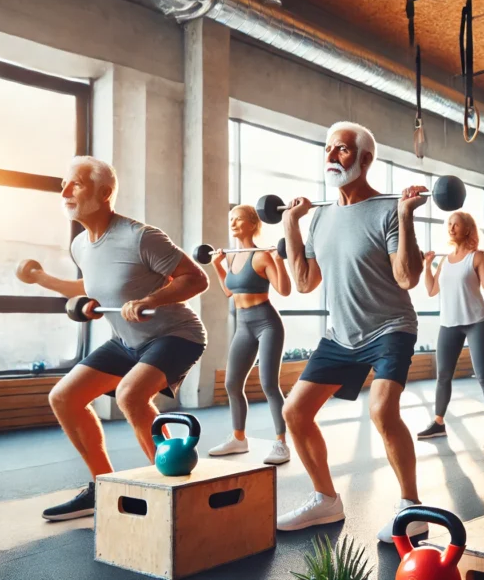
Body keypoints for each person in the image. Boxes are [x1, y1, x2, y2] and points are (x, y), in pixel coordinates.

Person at [17, 156, 208, 521]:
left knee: (131, 395)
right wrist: (43, 279)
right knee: (64, 397)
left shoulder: (141, 236)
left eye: (76, 184)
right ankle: (102, 485)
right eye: (64, 183)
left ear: (104, 193)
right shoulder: (81, 246)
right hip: (128, 340)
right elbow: (90, 286)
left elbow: (196, 279)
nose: (65, 190)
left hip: (175, 334)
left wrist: (150, 300)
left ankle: (176, 488)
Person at [275, 122, 426, 543]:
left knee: (381, 410)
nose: (330, 156)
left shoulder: (387, 209)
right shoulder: (320, 215)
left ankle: (411, 507)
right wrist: (291, 225)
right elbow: (304, 283)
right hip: (340, 335)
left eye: (340, 150)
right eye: (327, 149)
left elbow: (407, 278)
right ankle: (326, 499)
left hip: (389, 328)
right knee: (295, 413)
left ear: (364, 159)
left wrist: (406, 216)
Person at [206, 204, 293, 465]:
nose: (232, 224)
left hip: (267, 323)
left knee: (268, 384)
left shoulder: (262, 256)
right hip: (243, 325)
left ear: (253, 224)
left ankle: (281, 443)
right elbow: (230, 291)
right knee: (232, 382)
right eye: (230, 219)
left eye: (239, 220)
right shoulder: (231, 256)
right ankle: (239, 439)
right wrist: (217, 266)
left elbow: (284, 290)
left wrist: (278, 259)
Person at [416, 212, 484, 452]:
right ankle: (438, 422)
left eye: (456, 223)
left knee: (483, 376)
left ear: (467, 229)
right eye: (448, 223)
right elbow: (431, 290)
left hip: (476, 321)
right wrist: (427, 266)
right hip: (449, 324)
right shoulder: (445, 260)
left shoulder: (476, 256)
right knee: (443, 375)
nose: (451, 227)